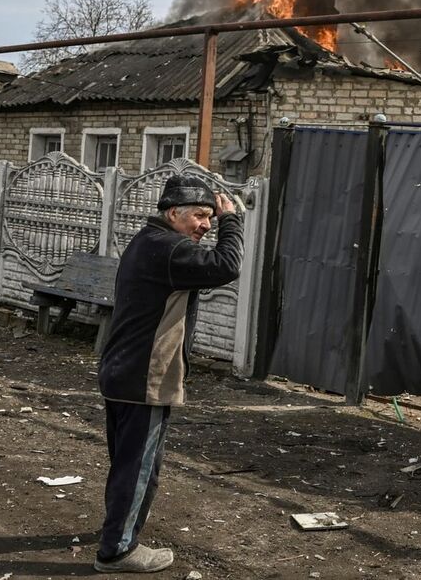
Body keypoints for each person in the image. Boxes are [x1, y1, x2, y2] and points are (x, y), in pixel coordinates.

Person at [94, 175, 243, 573]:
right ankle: (118, 550)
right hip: (145, 378)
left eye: (211, 218)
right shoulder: (169, 249)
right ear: (173, 213)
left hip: (121, 372)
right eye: (199, 215)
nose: (206, 225)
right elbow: (227, 265)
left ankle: (115, 531)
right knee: (141, 467)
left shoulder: (149, 241)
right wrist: (232, 220)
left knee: (126, 463)